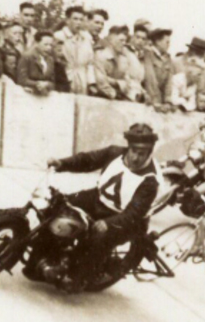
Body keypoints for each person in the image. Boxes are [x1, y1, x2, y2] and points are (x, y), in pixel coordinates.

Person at [42, 124, 162, 292]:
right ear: (128, 147)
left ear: (150, 152)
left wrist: (108, 223)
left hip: (125, 219)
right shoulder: (115, 153)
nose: (135, 157)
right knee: (58, 205)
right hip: (99, 199)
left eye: (141, 153)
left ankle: (77, 278)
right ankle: (47, 254)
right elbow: (88, 160)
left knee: (97, 238)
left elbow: (134, 213)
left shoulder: (150, 180)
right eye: (133, 151)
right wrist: (62, 163)